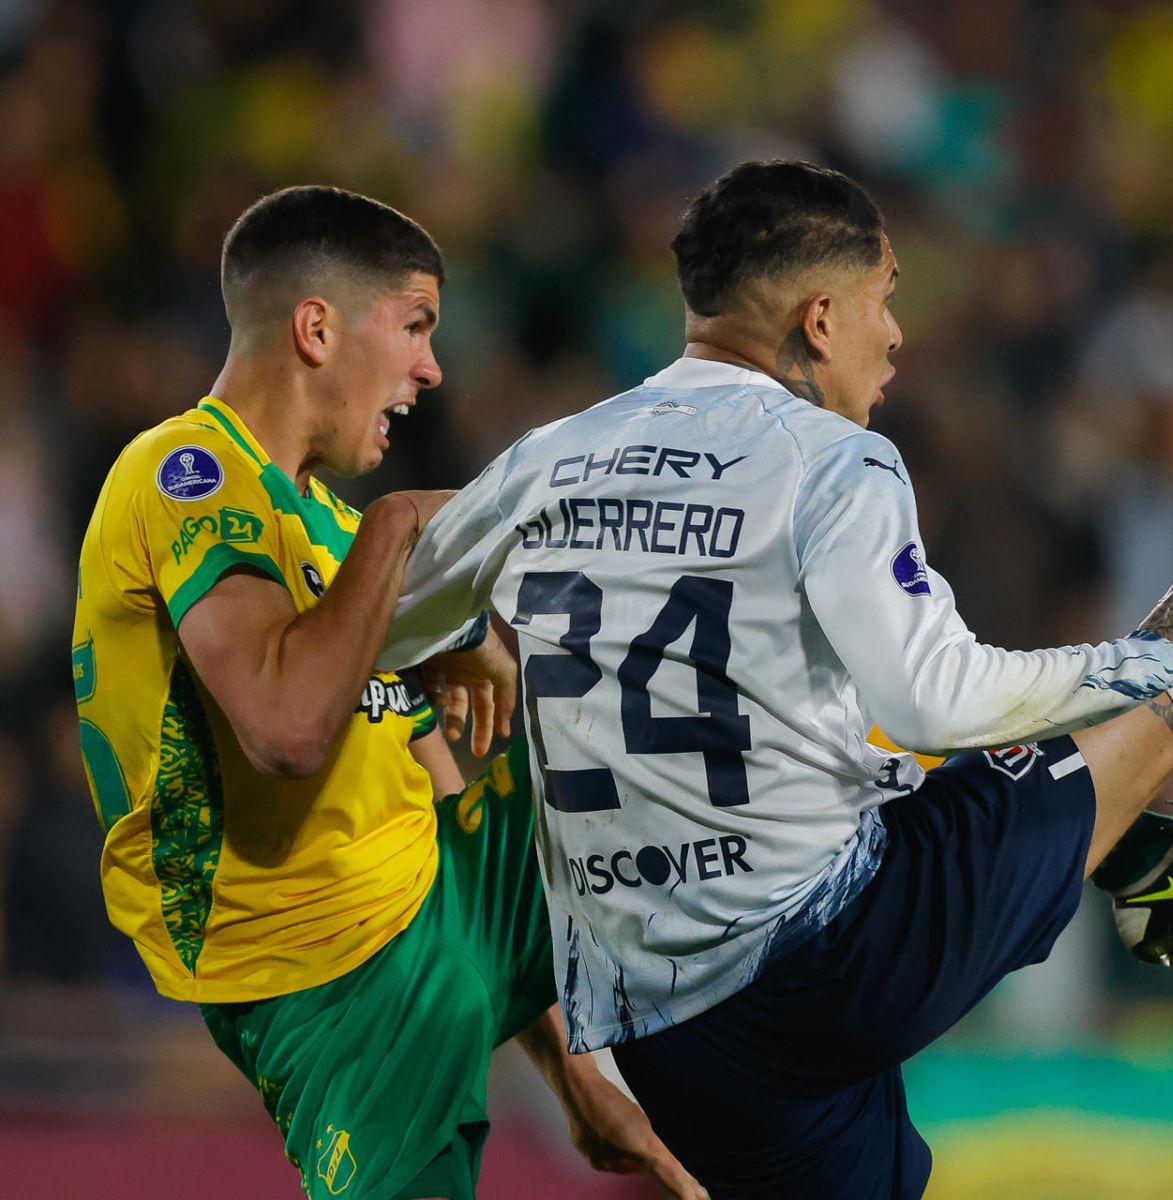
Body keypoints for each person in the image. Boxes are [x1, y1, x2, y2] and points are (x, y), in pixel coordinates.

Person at [378, 161, 1173, 1197]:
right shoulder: (834, 467)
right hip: (826, 966)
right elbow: (938, 694)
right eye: (885, 299)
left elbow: (385, 644)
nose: (896, 337)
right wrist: (1142, 655)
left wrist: (460, 649)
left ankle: (1136, 851)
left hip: (660, 1033)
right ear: (816, 318)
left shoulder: (548, 459)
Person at [71, 185, 703, 1200]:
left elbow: (428, 777)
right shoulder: (182, 470)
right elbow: (286, 730)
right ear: (316, 329)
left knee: (660, 732)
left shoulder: (327, 526)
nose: (430, 367)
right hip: (331, 984)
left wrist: (576, 1064)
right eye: (413, 326)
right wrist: (406, 529)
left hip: (430, 900)